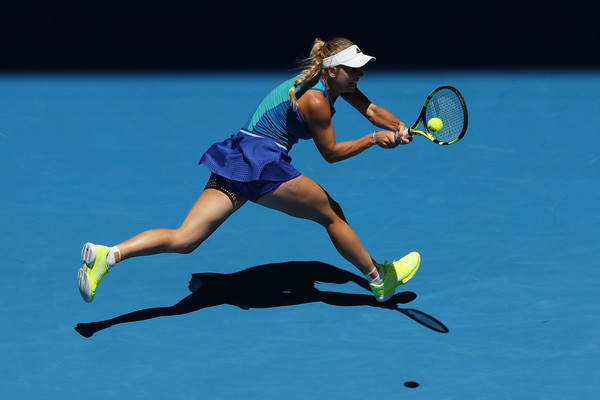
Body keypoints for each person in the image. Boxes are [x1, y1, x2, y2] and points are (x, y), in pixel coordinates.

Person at [77, 37, 420, 304]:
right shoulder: (317, 100)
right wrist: (375, 139)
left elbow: (372, 108)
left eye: (361, 68)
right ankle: (380, 280)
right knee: (331, 214)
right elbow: (330, 153)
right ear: (332, 70)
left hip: (236, 156)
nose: (359, 74)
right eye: (353, 69)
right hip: (262, 164)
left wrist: (399, 126)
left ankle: (110, 255)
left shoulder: (328, 83)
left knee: (186, 239)